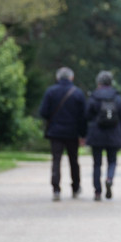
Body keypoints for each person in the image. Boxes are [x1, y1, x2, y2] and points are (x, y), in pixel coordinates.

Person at [39, 67, 87, 201]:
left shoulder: (51, 92)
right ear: (71, 78)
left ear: (58, 78)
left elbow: (43, 112)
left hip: (55, 132)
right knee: (74, 161)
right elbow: (83, 116)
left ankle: (56, 189)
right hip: (72, 133)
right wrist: (83, 135)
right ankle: (75, 187)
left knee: (56, 160)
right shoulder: (77, 93)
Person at [85, 70, 121, 201]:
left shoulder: (93, 97)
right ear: (111, 82)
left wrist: (83, 134)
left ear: (98, 82)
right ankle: (109, 178)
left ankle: (97, 192)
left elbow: (86, 116)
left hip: (96, 134)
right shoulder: (117, 97)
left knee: (97, 164)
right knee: (112, 161)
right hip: (114, 134)